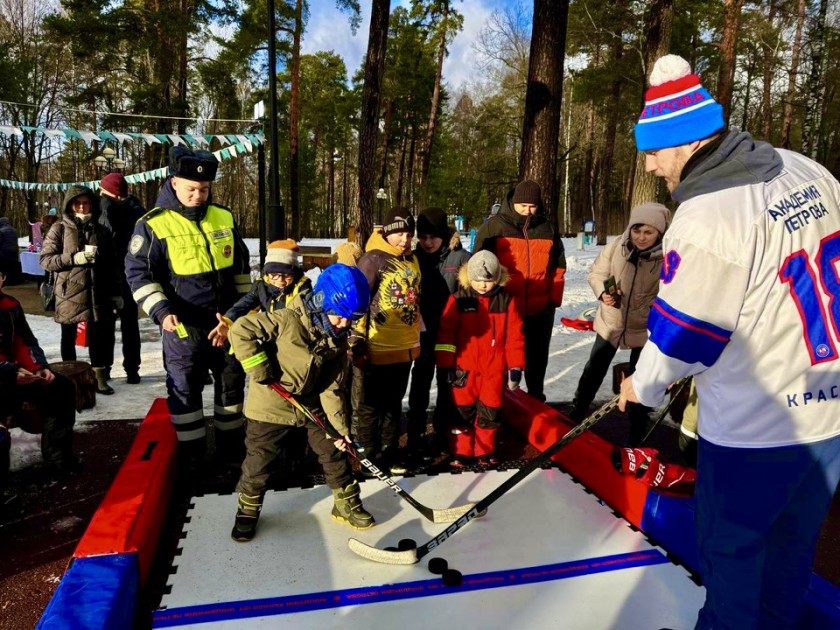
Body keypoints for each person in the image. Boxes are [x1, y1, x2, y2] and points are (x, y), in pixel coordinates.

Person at [619, 54, 840, 629]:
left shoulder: (709, 215)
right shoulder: (807, 169)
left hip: (754, 428)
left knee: (733, 558)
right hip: (829, 413)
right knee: (791, 553)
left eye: (656, 149)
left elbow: (684, 338)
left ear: (689, 141)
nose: (650, 163)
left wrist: (639, 386)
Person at [228, 263, 374, 541]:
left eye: (351, 320)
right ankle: (247, 510)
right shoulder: (287, 319)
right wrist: (259, 369)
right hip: (271, 404)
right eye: (339, 317)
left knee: (334, 451)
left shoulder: (337, 341)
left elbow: (331, 387)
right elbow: (241, 329)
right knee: (259, 462)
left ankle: (346, 503)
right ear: (322, 302)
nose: (345, 325)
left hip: (310, 403)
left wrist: (340, 429)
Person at [125, 147, 252, 468]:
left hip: (225, 325)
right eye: (191, 189)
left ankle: (231, 450)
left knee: (232, 386)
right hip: (182, 326)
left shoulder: (223, 216)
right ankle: (192, 456)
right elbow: (138, 274)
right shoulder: (153, 224)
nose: (198, 195)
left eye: (205, 189)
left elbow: (241, 269)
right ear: (173, 182)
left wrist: (243, 312)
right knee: (185, 391)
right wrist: (162, 311)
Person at [570, 202, 671, 447]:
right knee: (594, 368)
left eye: (649, 232)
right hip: (612, 320)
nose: (641, 237)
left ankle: (637, 430)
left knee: (641, 378)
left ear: (660, 232)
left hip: (645, 328)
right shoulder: (618, 246)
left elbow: (675, 292)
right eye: (637, 231)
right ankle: (576, 414)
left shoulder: (669, 256)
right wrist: (601, 293)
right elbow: (597, 274)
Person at [473, 180, 565, 402]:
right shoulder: (493, 227)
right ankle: (497, 400)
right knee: (502, 356)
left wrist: (553, 299)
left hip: (539, 307)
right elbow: (478, 265)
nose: (528, 211)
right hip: (504, 306)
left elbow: (558, 266)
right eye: (523, 206)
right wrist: (486, 299)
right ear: (513, 202)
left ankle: (535, 398)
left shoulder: (547, 229)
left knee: (537, 358)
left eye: (532, 206)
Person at [0, 263, 81, 505]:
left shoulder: (10, 305)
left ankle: (58, 459)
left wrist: (39, 368)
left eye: (0, 274)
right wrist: (8, 372)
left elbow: (25, 341)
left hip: (14, 374)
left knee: (61, 387)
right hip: (5, 376)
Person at [435, 251, 525, 468]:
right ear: (468, 278)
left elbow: (515, 337)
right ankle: (461, 452)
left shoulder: (506, 301)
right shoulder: (459, 300)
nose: (483, 285)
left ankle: (484, 451)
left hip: (494, 370)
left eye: (488, 280)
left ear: (497, 278)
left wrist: (515, 366)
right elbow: (446, 334)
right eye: (477, 280)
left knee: (489, 412)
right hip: (463, 370)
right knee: (461, 412)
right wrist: (445, 364)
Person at [352, 207, 421, 475]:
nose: (405, 239)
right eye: (399, 234)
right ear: (387, 233)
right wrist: (356, 341)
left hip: (403, 346)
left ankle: (390, 453)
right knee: (370, 405)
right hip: (376, 346)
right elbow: (359, 301)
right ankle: (368, 456)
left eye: (409, 234)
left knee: (394, 404)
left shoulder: (411, 259)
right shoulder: (373, 259)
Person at [40, 186, 121, 395]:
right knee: (68, 335)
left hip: (97, 291)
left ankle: (98, 377)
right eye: (78, 203)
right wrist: (72, 259)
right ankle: (70, 380)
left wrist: (116, 293)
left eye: (86, 203)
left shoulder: (101, 231)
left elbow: (113, 265)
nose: (82, 207)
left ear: (92, 204)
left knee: (98, 336)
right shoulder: (59, 229)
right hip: (68, 293)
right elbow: (46, 260)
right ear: (70, 205)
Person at [406, 207, 470, 460]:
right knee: (420, 381)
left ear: (444, 235)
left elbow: (470, 294)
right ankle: (415, 433)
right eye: (423, 237)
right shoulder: (412, 258)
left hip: (449, 334)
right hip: (422, 332)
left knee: (447, 383)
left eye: (433, 237)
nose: (428, 242)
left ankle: (442, 433)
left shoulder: (461, 258)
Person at [207, 239, 311, 347]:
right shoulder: (261, 285)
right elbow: (245, 304)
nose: (280, 279)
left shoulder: (302, 288)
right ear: (267, 273)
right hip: (270, 337)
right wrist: (228, 319)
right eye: (274, 274)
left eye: (287, 275)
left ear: (294, 273)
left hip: (293, 340)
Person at [98, 172, 146, 384]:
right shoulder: (137, 210)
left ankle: (110, 368)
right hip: (129, 272)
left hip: (115, 273)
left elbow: (105, 236)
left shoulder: (104, 209)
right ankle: (130, 369)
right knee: (127, 324)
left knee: (110, 324)